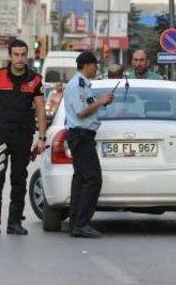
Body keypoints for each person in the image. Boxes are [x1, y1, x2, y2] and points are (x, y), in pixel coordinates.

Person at [0, 39, 46, 235]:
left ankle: (14, 222)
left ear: (27, 55)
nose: (20, 59)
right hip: (0, 134)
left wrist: (41, 138)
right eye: (16, 54)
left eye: (23, 55)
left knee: (19, 179)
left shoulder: (35, 81)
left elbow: (40, 110)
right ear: (10, 55)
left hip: (23, 136)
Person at [63, 51, 114, 238]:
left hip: (85, 136)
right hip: (80, 136)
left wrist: (102, 103)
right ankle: (81, 223)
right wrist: (100, 102)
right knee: (93, 179)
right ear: (86, 65)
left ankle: (76, 221)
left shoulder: (84, 84)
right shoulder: (76, 85)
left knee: (81, 180)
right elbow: (81, 112)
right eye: (95, 65)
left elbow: (89, 107)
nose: (97, 68)